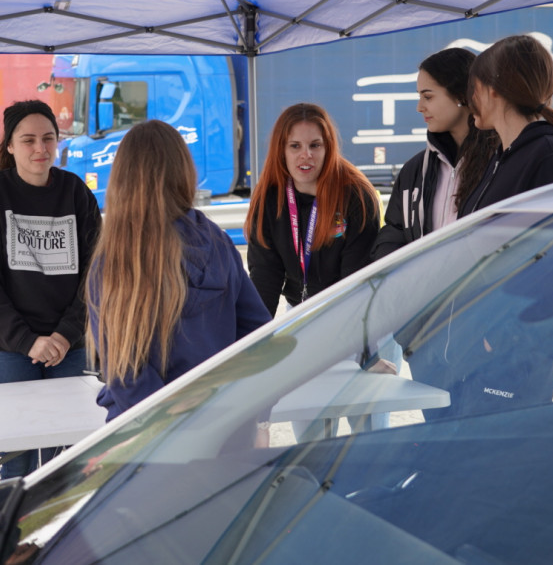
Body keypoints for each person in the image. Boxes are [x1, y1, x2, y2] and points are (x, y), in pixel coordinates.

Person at [87, 120, 270, 421]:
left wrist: (172, 424)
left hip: (149, 434)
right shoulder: (216, 240)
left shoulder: (119, 256)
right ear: (184, 170)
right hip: (224, 420)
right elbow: (259, 336)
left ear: (122, 178)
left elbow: (124, 371)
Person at [0, 101, 102, 478]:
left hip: (70, 347)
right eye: (28, 140)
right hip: (6, 349)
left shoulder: (75, 192)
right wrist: (27, 341)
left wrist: (65, 334)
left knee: (72, 464)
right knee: (17, 463)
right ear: (10, 146)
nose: (40, 148)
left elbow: (96, 272)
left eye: (48, 138)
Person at [245, 103, 380, 316]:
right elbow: (265, 275)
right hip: (299, 309)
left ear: (328, 148)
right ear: (281, 151)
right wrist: (258, 331)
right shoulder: (269, 197)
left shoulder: (355, 196)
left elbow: (356, 281)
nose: (306, 155)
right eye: (295, 146)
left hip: (349, 310)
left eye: (315, 145)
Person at [370, 48, 499, 261]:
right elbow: (394, 233)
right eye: (419, 97)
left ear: (461, 95)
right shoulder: (414, 171)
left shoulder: (502, 161)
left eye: (428, 96)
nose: (419, 107)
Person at [459, 35, 553, 216]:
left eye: (474, 88)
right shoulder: (504, 155)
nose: (471, 98)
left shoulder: (548, 154)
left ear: (493, 89)